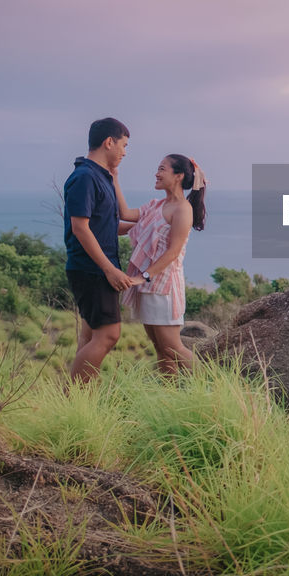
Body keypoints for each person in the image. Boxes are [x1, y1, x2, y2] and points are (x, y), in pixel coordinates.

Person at [117, 154, 207, 375]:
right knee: (160, 348)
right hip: (149, 287)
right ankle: (169, 395)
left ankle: (214, 387)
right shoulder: (156, 205)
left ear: (178, 176)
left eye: (162, 169)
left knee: (172, 347)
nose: (156, 174)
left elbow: (173, 251)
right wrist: (114, 177)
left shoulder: (183, 209)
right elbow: (125, 214)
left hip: (165, 288)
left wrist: (144, 275)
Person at [64, 117, 137, 383]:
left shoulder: (100, 176)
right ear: (109, 142)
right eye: (124, 145)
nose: (125, 152)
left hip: (95, 268)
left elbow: (103, 224)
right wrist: (110, 270)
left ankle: (80, 400)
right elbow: (80, 227)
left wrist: (145, 226)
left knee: (92, 334)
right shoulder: (85, 177)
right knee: (108, 335)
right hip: (92, 269)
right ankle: (73, 397)